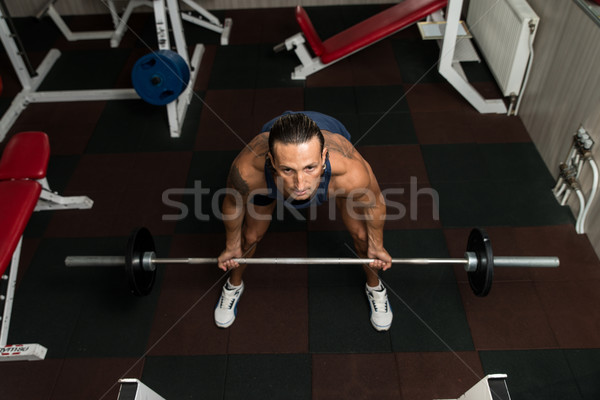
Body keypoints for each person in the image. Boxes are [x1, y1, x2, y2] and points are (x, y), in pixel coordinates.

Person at [215, 111, 393, 331]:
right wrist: (231, 245)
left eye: (310, 168)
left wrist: (377, 245)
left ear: (323, 156)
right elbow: (233, 204)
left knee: (362, 236)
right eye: (288, 170)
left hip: (332, 139)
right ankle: (234, 284)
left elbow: (375, 203)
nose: (300, 184)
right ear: (271, 160)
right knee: (251, 236)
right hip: (271, 173)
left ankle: (374, 286)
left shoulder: (349, 171)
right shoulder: (248, 170)